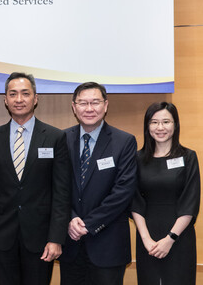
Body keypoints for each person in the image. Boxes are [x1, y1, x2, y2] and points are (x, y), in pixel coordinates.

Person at [0, 72, 72, 285]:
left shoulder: (55, 137)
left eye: (25, 94)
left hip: (40, 239)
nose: (19, 99)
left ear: (35, 98)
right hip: (1, 238)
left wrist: (56, 238)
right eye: (13, 94)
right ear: (5, 99)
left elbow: (61, 192)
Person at [60, 82, 137, 285]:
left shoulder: (124, 141)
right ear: (74, 107)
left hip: (108, 244)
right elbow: (56, 187)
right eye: (83, 103)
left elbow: (123, 191)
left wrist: (89, 224)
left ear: (106, 105)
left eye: (95, 102)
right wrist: (70, 218)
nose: (89, 108)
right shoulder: (61, 139)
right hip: (70, 243)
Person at [131, 102, 200, 285]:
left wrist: (170, 239)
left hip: (179, 237)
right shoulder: (137, 159)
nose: (160, 127)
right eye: (154, 122)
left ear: (175, 125)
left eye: (166, 122)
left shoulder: (188, 157)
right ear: (147, 126)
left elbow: (190, 202)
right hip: (148, 237)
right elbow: (135, 200)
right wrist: (146, 238)